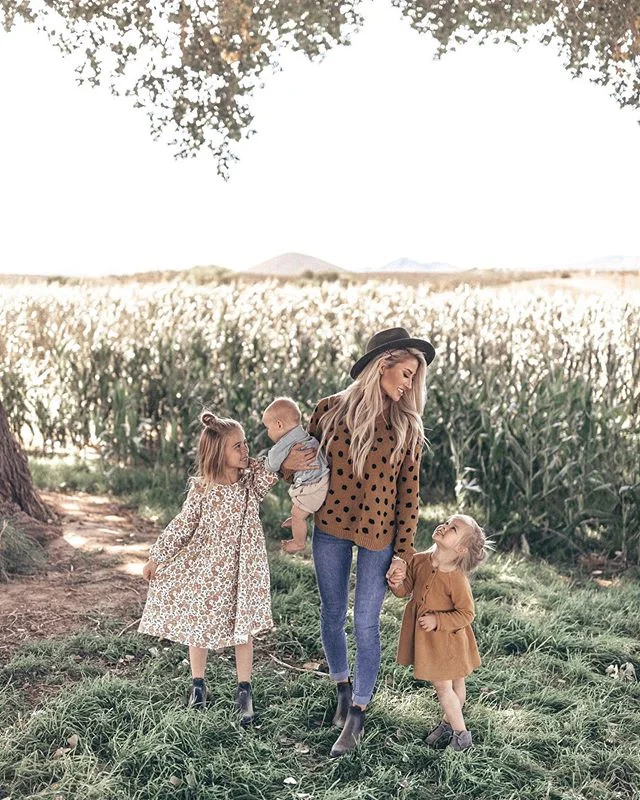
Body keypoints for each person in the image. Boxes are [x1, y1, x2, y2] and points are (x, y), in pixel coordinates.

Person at [282, 326, 436, 757]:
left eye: (413, 378)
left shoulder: (407, 425)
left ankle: (358, 714)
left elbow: (410, 498)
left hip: (379, 536)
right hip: (330, 526)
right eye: (405, 374)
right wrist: (288, 469)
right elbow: (298, 467)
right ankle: (342, 688)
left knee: (365, 621)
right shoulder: (329, 410)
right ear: (380, 367)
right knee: (332, 613)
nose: (409, 385)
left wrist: (403, 553)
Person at [138, 411, 278, 726]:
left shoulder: (249, 483)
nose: (245, 451)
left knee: (244, 629)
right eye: (237, 447)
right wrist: (157, 557)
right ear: (218, 453)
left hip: (245, 571)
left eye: (245, 445)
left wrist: (292, 443)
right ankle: (197, 685)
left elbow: (272, 468)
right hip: (209, 570)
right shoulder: (202, 489)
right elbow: (183, 525)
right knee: (198, 626)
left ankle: (244, 690)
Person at [388, 514, 492, 751]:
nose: (444, 526)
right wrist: (397, 583)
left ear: (461, 548)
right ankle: (448, 724)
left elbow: (466, 613)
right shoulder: (419, 560)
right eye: (447, 522)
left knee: (447, 687)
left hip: (448, 639)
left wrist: (438, 620)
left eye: (453, 528)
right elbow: (406, 589)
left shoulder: (456, 578)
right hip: (431, 640)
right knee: (452, 686)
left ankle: (461, 735)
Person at [262, 396, 330, 554]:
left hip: (313, 487)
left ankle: (299, 543)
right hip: (322, 481)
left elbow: (270, 465)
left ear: (279, 425)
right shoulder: (302, 434)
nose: (267, 432)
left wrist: (269, 461)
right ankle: (297, 521)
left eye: (267, 428)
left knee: (297, 514)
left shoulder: (283, 445)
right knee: (298, 509)